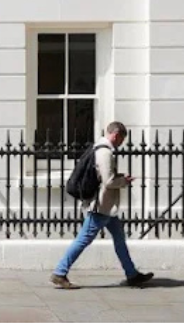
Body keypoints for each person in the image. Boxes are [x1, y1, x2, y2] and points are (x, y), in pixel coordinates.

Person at [51, 121, 154, 289]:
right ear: (116, 135)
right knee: (83, 239)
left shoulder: (98, 148)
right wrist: (124, 181)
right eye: (121, 139)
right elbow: (109, 181)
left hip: (107, 207)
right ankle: (60, 272)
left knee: (119, 238)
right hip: (100, 206)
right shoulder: (105, 152)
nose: (121, 143)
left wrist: (120, 177)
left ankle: (132, 274)